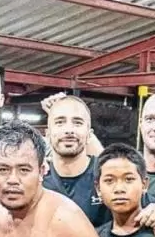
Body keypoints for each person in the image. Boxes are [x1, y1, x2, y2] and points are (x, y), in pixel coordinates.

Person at [43, 95, 113, 227]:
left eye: (77, 123)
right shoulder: (37, 180)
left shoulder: (109, 174)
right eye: (60, 122)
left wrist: (152, 210)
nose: (69, 130)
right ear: (47, 134)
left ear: (89, 134)